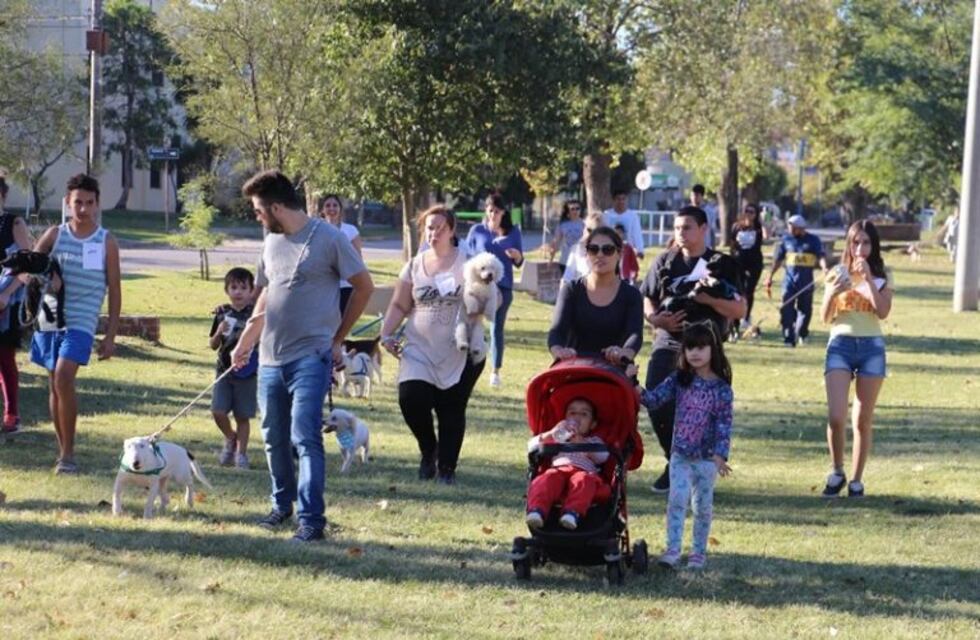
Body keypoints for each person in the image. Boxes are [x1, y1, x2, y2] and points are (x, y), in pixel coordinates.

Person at [230, 170, 373, 543]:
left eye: (259, 210)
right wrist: (246, 340)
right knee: (273, 437)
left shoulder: (329, 238)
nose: (257, 217)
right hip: (270, 357)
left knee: (304, 435)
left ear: (277, 207)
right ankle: (282, 506)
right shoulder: (270, 243)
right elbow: (266, 295)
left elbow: (363, 286)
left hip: (312, 354)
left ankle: (311, 520)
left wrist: (338, 338)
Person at [639, 206, 745, 493]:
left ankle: (699, 469)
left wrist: (709, 301)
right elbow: (647, 297)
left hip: (706, 347)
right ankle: (674, 461)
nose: (680, 233)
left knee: (703, 411)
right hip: (669, 341)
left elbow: (739, 309)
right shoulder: (665, 261)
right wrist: (655, 319)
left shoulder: (722, 264)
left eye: (686, 227)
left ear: (703, 229)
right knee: (657, 401)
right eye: (676, 228)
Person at [381, 205, 485, 485]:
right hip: (419, 347)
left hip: (461, 349)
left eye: (440, 228)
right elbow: (399, 304)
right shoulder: (414, 265)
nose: (434, 233)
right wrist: (386, 333)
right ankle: (429, 450)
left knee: (451, 409)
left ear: (452, 230)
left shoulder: (469, 263)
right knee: (410, 398)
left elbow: (486, 301)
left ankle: (447, 469)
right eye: (429, 227)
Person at [30, 174, 121, 474]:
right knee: (54, 384)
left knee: (63, 376)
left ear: (97, 204)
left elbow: (115, 291)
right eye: (77, 202)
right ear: (67, 203)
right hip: (49, 316)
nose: (83, 209)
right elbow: (30, 268)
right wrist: (47, 276)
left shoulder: (106, 241)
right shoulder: (55, 234)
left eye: (89, 203)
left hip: (82, 321)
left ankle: (69, 454)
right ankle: (62, 451)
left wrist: (110, 336)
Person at [638, 323, 733, 570]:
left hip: (707, 459)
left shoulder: (722, 389)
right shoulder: (679, 380)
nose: (695, 353)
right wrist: (633, 383)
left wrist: (721, 455)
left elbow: (724, 423)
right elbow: (653, 400)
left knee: (702, 507)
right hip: (680, 455)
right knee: (677, 499)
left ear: (713, 349)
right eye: (690, 347)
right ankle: (672, 549)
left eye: (701, 347)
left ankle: (698, 552)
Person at [819, 220, 893, 499]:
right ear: (848, 244)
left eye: (866, 243)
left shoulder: (883, 276)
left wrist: (870, 279)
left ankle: (857, 480)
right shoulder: (837, 273)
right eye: (855, 242)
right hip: (840, 345)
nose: (860, 248)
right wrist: (833, 292)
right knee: (836, 416)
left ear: (874, 246)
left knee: (862, 420)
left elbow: (882, 312)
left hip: (872, 348)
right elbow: (825, 318)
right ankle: (837, 471)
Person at [548, 226, 643, 364]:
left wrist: (625, 352)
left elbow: (635, 335)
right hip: (574, 366)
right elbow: (556, 331)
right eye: (593, 249)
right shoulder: (571, 290)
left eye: (607, 250)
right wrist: (558, 351)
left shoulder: (632, 295)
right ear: (587, 254)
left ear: (619, 254)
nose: (600, 254)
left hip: (616, 368)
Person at [464, 193, 523, 388]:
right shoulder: (477, 230)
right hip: (477, 286)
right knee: (470, 322)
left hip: (502, 287)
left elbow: (519, 261)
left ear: (503, 212)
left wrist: (516, 255)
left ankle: (495, 371)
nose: (493, 215)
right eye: (490, 211)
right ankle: (468, 360)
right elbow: (467, 256)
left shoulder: (513, 232)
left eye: (497, 211)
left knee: (496, 326)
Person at [525, 397, 609, 531]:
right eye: (572, 413)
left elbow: (603, 457)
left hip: (583, 471)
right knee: (546, 479)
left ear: (592, 424)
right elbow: (532, 446)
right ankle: (537, 510)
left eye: (584, 414)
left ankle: (572, 513)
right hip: (559, 470)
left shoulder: (593, 441)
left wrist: (582, 444)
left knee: (584, 480)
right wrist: (551, 433)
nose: (577, 417)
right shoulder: (558, 437)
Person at [209, 267, 258, 469]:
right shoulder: (222, 313)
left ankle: (241, 454)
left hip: (247, 372)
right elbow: (213, 345)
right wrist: (219, 332)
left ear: (252, 291)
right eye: (234, 287)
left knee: (242, 416)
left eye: (243, 288)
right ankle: (231, 438)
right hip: (224, 371)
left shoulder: (256, 314)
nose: (238, 292)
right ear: (227, 290)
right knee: (218, 411)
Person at [764, 214, 828, 347]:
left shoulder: (813, 240)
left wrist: (824, 268)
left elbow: (821, 256)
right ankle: (788, 337)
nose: (790, 230)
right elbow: (778, 260)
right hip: (789, 281)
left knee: (805, 310)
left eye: (793, 228)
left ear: (801, 228)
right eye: (789, 227)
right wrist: (770, 276)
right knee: (786, 308)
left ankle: (802, 333)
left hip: (806, 282)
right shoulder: (785, 240)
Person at [0, 176, 32, 434]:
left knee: (4, 357)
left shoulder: (14, 223)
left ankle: (12, 415)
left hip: (6, 301)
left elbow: (27, 266)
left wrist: (6, 294)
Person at [316, 194, 363, 314]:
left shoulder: (351, 230)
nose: (331, 208)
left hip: (346, 285)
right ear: (322, 210)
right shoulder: (316, 230)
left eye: (335, 205)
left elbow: (358, 259)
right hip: (323, 285)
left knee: (342, 319)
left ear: (340, 209)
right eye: (327, 205)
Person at [729, 202, 767, 336]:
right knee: (737, 292)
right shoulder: (736, 227)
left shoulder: (758, 228)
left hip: (754, 263)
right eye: (747, 211)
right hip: (738, 261)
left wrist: (763, 222)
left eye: (752, 212)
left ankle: (746, 317)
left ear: (756, 214)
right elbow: (732, 244)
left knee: (749, 291)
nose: (749, 214)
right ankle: (735, 323)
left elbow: (765, 238)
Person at [561, 212, 603, 285]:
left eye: (596, 231)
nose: (592, 234)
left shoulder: (608, 250)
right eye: (589, 229)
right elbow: (567, 277)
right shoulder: (577, 249)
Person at [603, 188, 645, 259]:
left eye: (623, 199)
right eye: (618, 199)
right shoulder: (607, 215)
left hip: (628, 253)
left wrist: (640, 250)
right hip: (610, 252)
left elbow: (637, 234)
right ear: (613, 200)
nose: (621, 201)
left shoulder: (633, 216)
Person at [548, 199, 584, 275]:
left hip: (581, 261)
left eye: (577, 208)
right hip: (566, 260)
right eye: (572, 209)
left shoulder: (585, 224)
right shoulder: (562, 225)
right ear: (568, 211)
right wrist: (551, 259)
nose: (575, 211)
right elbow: (556, 242)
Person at [690, 184, 719, 248]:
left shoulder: (710, 212)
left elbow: (712, 231)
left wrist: (713, 248)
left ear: (702, 196)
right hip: (690, 247)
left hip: (705, 246)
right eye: (692, 195)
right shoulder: (687, 212)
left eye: (696, 195)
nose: (694, 198)